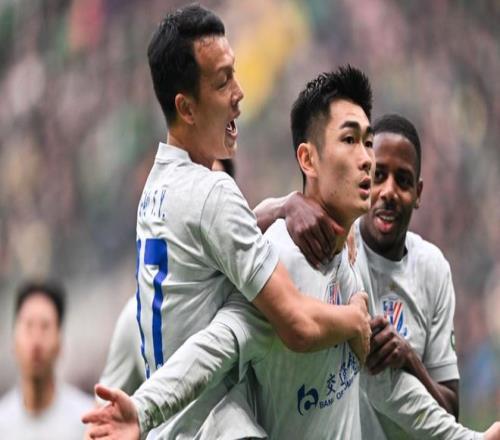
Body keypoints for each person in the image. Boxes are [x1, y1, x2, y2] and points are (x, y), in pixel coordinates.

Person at [85, 4, 370, 438]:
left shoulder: (158, 189)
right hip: (211, 427)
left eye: (234, 73)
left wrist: (281, 206)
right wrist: (354, 318)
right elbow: (296, 322)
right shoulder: (212, 194)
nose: (239, 92)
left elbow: (216, 237)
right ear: (187, 107)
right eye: (222, 82)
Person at [97, 158, 237, 399]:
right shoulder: (136, 317)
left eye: (214, 193)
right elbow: (105, 411)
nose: (205, 205)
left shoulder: (249, 299)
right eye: (197, 193)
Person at [0, 280, 94, 439]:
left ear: (60, 342)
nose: (36, 341)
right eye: (28, 326)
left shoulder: (87, 422)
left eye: (45, 327)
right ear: (13, 340)